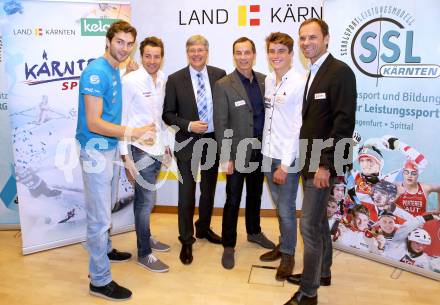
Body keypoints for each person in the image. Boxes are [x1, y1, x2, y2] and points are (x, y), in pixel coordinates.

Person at [75, 20, 155, 301]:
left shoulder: (113, 70)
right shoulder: (96, 73)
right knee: (98, 219)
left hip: (107, 149)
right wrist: (134, 132)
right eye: (119, 42)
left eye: (129, 43)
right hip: (96, 149)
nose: (124, 48)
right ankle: (99, 280)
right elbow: (95, 122)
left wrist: (127, 69)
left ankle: (105, 249)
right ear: (108, 41)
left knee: (104, 208)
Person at [284, 18, 357, 305]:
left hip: (321, 165)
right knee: (318, 222)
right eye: (302, 38)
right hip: (309, 160)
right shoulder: (314, 71)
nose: (306, 43)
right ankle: (321, 273)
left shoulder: (339, 72)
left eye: (312, 37)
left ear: (326, 38)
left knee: (309, 227)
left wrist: (326, 164)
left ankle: (308, 292)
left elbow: (343, 123)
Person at [162, 35, 226, 265]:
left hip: (212, 141)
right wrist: (188, 124)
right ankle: (186, 240)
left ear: (207, 52)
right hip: (187, 141)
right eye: (192, 51)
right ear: (187, 53)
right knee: (186, 193)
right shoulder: (175, 79)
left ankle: (204, 228)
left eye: (200, 50)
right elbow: (167, 114)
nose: (196, 54)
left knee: (208, 190)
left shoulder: (220, 75)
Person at [213, 37, 274, 270]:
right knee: (233, 199)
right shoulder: (223, 84)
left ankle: (254, 232)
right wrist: (226, 157)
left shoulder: (263, 81)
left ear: (254, 55)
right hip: (237, 154)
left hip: (261, 151)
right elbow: (221, 124)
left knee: (255, 195)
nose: (243, 57)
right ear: (234, 56)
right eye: (238, 53)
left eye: (247, 52)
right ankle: (229, 244)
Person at [119, 36, 171, 273]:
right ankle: (144, 253)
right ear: (141, 56)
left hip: (158, 148)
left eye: (156, 56)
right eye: (148, 56)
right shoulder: (130, 81)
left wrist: (167, 144)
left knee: (148, 201)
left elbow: (159, 117)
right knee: (144, 202)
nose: (152, 61)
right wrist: (125, 157)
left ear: (162, 57)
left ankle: (146, 237)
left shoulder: (162, 79)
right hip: (138, 150)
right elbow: (121, 119)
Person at [258, 32, 303, 281]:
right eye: (272, 51)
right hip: (267, 153)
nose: (276, 56)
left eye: (281, 51)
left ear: (290, 54)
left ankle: (288, 255)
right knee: (278, 206)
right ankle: (283, 244)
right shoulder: (269, 81)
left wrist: (285, 165)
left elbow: (297, 127)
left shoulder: (298, 82)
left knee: (286, 209)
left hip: (286, 158)